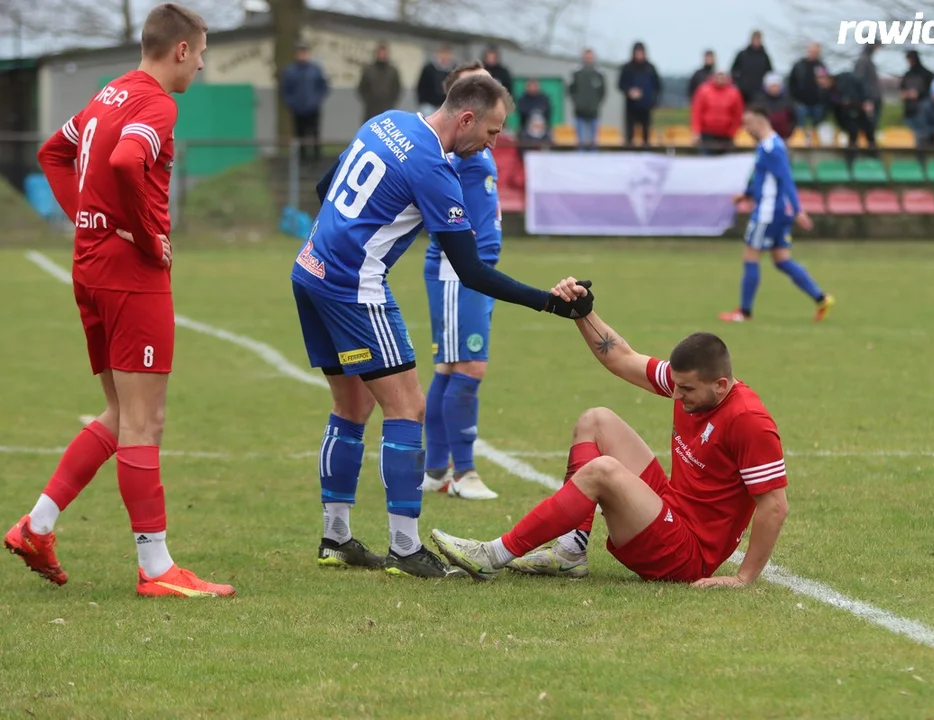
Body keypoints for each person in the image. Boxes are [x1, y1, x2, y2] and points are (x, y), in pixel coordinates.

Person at [292, 74, 594, 577]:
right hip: (354, 285)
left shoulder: (387, 121)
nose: (494, 143)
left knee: (352, 403)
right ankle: (405, 548)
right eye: (494, 132)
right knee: (407, 406)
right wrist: (550, 303)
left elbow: (327, 186)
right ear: (467, 118)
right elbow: (471, 270)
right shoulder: (434, 166)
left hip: (310, 268)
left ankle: (336, 536)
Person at [6, 3, 235, 598]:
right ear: (180, 50)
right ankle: (156, 568)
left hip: (91, 265)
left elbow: (53, 152)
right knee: (144, 420)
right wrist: (142, 231)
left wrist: (87, 220)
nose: (202, 65)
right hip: (130, 273)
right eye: (202, 52)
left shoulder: (110, 93)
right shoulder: (158, 103)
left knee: (117, 413)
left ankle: (38, 525)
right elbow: (127, 160)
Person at [430, 293, 790, 587]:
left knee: (603, 471)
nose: (676, 395)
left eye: (686, 389)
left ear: (721, 385)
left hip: (687, 554)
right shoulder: (696, 387)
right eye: (676, 385)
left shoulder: (748, 420)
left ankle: (492, 555)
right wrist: (583, 313)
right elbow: (622, 358)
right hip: (671, 510)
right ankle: (572, 550)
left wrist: (743, 578)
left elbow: (774, 505)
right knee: (596, 420)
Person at [421, 61, 504, 501]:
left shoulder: (477, 141)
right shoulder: (455, 147)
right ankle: (463, 472)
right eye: (483, 80)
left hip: (474, 271)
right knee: (469, 367)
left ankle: (436, 469)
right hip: (458, 272)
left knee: (450, 367)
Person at [719, 105, 834, 323]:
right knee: (781, 260)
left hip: (767, 212)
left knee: (750, 256)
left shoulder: (773, 147)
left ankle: (744, 312)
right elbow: (765, 180)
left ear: (759, 122)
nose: (746, 128)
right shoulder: (767, 146)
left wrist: (798, 210)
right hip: (776, 211)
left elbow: (786, 179)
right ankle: (821, 298)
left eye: (748, 123)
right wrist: (745, 194)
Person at [282, 42, 329, 162]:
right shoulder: (290, 71)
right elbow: (285, 90)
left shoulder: (316, 69)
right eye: (300, 52)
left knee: (315, 134)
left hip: (313, 108)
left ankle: (316, 158)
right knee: (300, 135)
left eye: (304, 52)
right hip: (298, 110)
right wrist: (291, 104)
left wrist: (316, 100)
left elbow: (323, 86)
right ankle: (302, 160)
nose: (303, 55)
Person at [618, 41, 661, 147]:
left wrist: (654, 101)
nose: (639, 55)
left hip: (646, 107)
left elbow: (658, 86)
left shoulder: (650, 68)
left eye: (641, 52)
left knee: (646, 136)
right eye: (637, 52)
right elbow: (620, 84)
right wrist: (629, 92)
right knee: (630, 136)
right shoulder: (627, 68)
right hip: (631, 107)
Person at [690, 69, 743, 154]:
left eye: (723, 76)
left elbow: (737, 114)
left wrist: (732, 132)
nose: (720, 78)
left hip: (726, 136)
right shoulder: (703, 91)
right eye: (718, 75)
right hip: (707, 134)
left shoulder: (734, 93)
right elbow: (697, 112)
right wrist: (696, 131)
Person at [568, 48, 605, 150]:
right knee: (580, 143)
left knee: (594, 143)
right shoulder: (576, 73)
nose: (589, 59)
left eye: (590, 57)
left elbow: (602, 93)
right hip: (579, 114)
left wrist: (595, 104)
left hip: (594, 113)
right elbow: (571, 91)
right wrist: (578, 103)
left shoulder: (599, 74)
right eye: (587, 57)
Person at [358, 43, 401, 122]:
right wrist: (369, 100)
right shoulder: (369, 70)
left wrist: (391, 101)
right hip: (371, 109)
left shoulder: (392, 71)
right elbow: (362, 88)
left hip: (387, 108)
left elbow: (397, 88)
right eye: (380, 53)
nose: (382, 55)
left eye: (384, 53)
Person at [730, 30, 772, 105]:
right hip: (743, 92)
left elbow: (770, 73)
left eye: (758, 39)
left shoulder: (764, 56)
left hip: (759, 92)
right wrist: (739, 83)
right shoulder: (742, 55)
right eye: (755, 39)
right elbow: (733, 71)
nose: (756, 41)